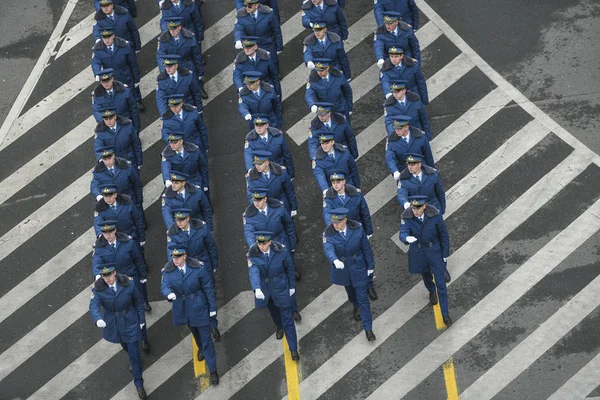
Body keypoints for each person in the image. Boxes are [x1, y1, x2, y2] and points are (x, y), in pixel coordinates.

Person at [161, 245, 220, 384]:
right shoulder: (168, 271)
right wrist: (168, 294)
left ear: (185, 256)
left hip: (199, 306)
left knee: (206, 339)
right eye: (174, 257)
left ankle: (213, 371)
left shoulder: (198, 268)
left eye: (178, 257)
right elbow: (165, 285)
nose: (175, 260)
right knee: (194, 332)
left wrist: (212, 308)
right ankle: (201, 348)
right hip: (183, 308)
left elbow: (208, 288)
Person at [89, 264, 148, 399]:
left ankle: (139, 384)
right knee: (125, 346)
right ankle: (136, 361)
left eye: (109, 275)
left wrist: (141, 320)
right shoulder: (98, 289)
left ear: (114, 273)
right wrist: (97, 319)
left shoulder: (128, 283)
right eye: (105, 276)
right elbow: (93, 306)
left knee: (134, 353)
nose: (108, 279)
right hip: (114, 324)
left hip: (130, 320)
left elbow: (138, 301)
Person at [243, 189, 302, 319]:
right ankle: (279, 315)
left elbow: (289, 225)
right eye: (254, 200)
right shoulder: (249, 215)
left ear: (265, 199)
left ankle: (293, 308)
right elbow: (248, 232)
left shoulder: (278, 208)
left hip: (281, 243)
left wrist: (292, 245)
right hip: (263, 247)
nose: (256, 203)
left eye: (259, 200)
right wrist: (254, 246)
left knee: (288, 276)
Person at [92, 219, 151, 343]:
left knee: (138, 307)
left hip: (130, 278)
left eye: (110, 232)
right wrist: (98, 276)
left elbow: (138, 260)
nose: (108, 235)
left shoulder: (127, 242)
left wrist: (142, 276)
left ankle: (143, 337)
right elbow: (96, 261)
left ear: (115, 230)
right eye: (104, 232)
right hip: (114, 281)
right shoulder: (99, 246)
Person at [322, 208, 376, 341]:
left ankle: (368, 329)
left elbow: (366, 248)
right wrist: (334, 260)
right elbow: (328, 248)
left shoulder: (357, 229)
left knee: (363, 297)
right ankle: (355, 305)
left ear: (345, 220)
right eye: (334, 222)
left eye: (338, 222)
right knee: (351, 292)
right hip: (344, 268)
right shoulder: (328, 233)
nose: (335, 225)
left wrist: (370, 266)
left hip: (358, 266)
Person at [167, 208, 221, 340]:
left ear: (188, 218)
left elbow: (211, 246)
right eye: (177, 220)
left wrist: (214, 265)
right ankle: (200, 326)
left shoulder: (201, 227)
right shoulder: (172, 233)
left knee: (209, 293)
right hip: (189, 269)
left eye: (182, 220)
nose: (179, 223)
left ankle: (213, 324)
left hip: (204, 263)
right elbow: (172, 256)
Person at [322, 170, 376, 299]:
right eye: (333, 182)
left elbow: (364, 212)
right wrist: (333, 226)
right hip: (340, 232)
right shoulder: (329, 197)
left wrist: (368, 231)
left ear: (344, 181)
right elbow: (327, 214)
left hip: (356, 231)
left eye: (338, 181)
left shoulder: (355, 194)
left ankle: (369, 284)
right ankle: (354, 300)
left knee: (364, 257)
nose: (335, 184)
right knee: (347, 266)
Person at [399, 195, 452, 326]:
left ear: (424, 206)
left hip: (434, 251)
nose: (415, 211)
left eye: (417, 208)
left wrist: (445, 254)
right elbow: (403, 232)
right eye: (413, 207)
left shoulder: (434, 215)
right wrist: (406, 238)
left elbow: (443, 234)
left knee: (441, 283)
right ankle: (431, 291)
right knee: (426, 276)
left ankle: (445, 314)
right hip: (419, 252)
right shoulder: (407, 216)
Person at [247, 231, 300, 360]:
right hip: (266, 290)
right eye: (259, 243)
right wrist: (257, 288)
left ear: (269, 242)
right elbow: (253, 271)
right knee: (274, 313)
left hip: (280, 287)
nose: (261, 246)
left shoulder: (281, 251)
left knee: (287, 319)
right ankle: (279, 326)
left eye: (264, 243)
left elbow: (290, 268)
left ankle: (293, 349)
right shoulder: (252, 254)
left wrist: (292, 286)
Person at [91, 26, 143, 109]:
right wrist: (97, 73)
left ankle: (137, 101)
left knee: (131, 91)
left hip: (125, 74)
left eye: (109, 37)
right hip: (110, 77)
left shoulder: (124, 45)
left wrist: (136, 78)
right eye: (104, 38)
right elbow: (95, 62)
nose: (107, 40)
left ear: (113, 36)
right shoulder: (98, 49)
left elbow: (133, 63)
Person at [157, 17, 208, 98]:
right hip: (173, 65)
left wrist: (200, 72)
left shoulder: (189, 37)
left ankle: (199, 88)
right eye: (170, 29)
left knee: (194, 84)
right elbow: (160, 56)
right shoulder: (163, 39)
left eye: (175, 28)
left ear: (179, 27)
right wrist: (164, 71)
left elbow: (196, 56)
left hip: (187, 63)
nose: (172, 31)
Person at [234, 0, 283, 73]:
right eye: (245, 5)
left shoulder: (268, 13)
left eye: (249, 6)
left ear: (256, 5)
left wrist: (279, 47)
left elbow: (276, 31)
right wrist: (238, 40)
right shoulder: (241, 15)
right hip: (252, 45)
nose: (247, 8)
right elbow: (238, 28)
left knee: (273, 64)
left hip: (268, 44)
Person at [246, 150, 298, 216]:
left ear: (267, 163)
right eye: (256, 164)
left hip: (282, 204)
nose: (257, 166)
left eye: (260, 164)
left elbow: (289, 190)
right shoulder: (252, 178)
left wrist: (294, 206)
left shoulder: (281, 172)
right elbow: (250, 195)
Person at [243, 114, 295, 178]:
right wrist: (250, 169)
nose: (259, 127)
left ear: (267, 125)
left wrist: (291, 174)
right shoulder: (250, 139)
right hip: (263, 172)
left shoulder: (277, 135)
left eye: (261, 125)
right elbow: (248, 155)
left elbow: (287, 155)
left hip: (279, 169)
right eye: (256, 125)